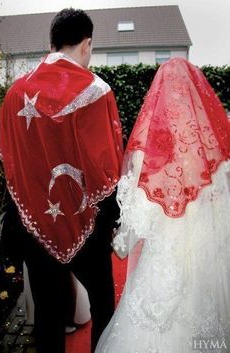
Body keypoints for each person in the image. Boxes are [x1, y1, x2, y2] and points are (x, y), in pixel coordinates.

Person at [0, 8, 123, 353]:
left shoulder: (14, 94)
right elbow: (106, 168)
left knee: (48, 315)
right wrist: (112, 219)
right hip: (87, 223)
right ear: (86, 44)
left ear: (52, 42)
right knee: (102, 305)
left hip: (36, 225)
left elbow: (10, 161)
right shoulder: (98, 91)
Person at [95, 57, 230, 353]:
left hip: (166, 259)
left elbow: (138, 219)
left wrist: (120, 243)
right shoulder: (217, 152)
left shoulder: (152, 155)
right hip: (207, 258)